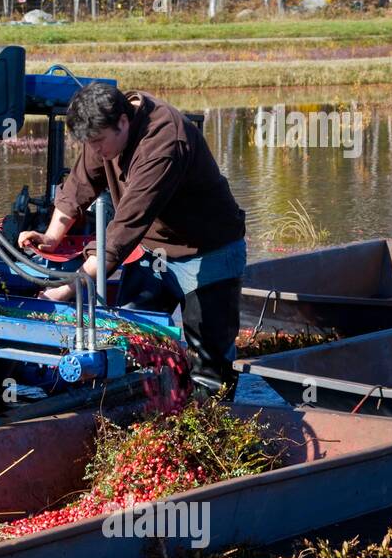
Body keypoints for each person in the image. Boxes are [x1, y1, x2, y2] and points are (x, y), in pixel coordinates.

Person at [17, 83, 247, 397]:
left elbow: (123, 230)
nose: (96, 150)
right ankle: (144, 411)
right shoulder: (105, 130)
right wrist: (52, 236)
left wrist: (65, 291)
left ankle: (211, 430)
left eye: (98, 142)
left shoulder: (164, 142)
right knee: (131, 339)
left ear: (123, 123)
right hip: (152, 247)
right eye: (89, 143)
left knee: (208, 363)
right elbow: (80, 183)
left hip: (206, 250)